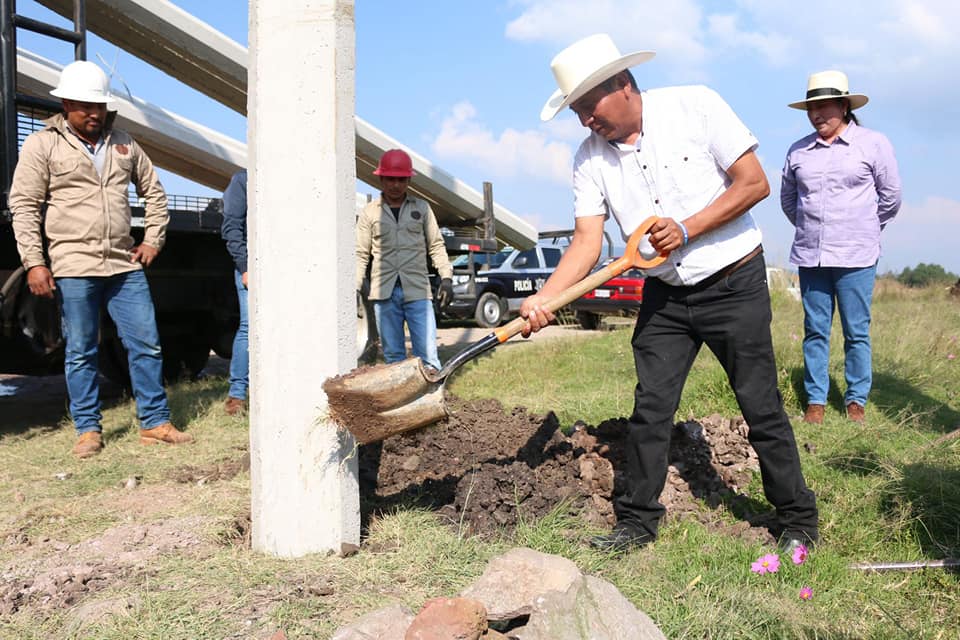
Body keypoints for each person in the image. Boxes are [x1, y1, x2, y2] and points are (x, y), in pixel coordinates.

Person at [523, 34, 818, 553]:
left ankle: (797, 519)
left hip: (733, 281)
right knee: (650, 409)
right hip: (667, 295)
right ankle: (638, 523)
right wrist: (545, 298)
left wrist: (688, 228)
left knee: (759, 404)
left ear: (623, 85)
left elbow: (753, 184)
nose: (586, 120)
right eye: (577, 111)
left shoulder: (695, 106)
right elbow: (588, 241)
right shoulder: (588, 159)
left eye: (590, 107)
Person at [9, 60, 193, 458]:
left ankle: (155, 423)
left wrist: (153, 241)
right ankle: (88, 430)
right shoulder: (43, 144)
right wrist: (34, 262)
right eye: (85, 107)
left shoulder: (124, 142)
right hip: (74, 266)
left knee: (147, 345)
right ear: (67, 104)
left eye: (100, 107)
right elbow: (24, 205)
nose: (94, 114)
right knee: (81, 350)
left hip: (124, 266)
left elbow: (155, 194)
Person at [780, 71, 901, 425]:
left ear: (844, 106)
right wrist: (811, 228)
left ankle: (855, 401)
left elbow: (891, 197)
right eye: (812, 108)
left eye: (825, 107)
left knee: (856, 331)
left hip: (857, 255)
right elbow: (790, 200)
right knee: (815, 328)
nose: (818, 114)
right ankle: (815, 401)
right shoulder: (798, 150)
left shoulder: (873, 143)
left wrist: (864, 227)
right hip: (811, 255)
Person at [355, 149, 454, 370]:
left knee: (427, 355)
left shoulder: (422, 209)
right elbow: (360, 253)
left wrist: (446, 278)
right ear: (381, 179)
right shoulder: (370, 213)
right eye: (390, 179)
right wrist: (354, 288)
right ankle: (402, 404)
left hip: (417, 291)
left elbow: (436, 245)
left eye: (401, 179)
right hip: (384, 294)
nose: (395, 185)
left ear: (408, 180)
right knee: (393, 358)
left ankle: (431, 400)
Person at [220, 169, 249, 416]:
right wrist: (245, 267)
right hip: (252, 267)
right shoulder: (242, 181)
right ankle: (237, 396)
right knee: (250, 328)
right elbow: (232, 228)